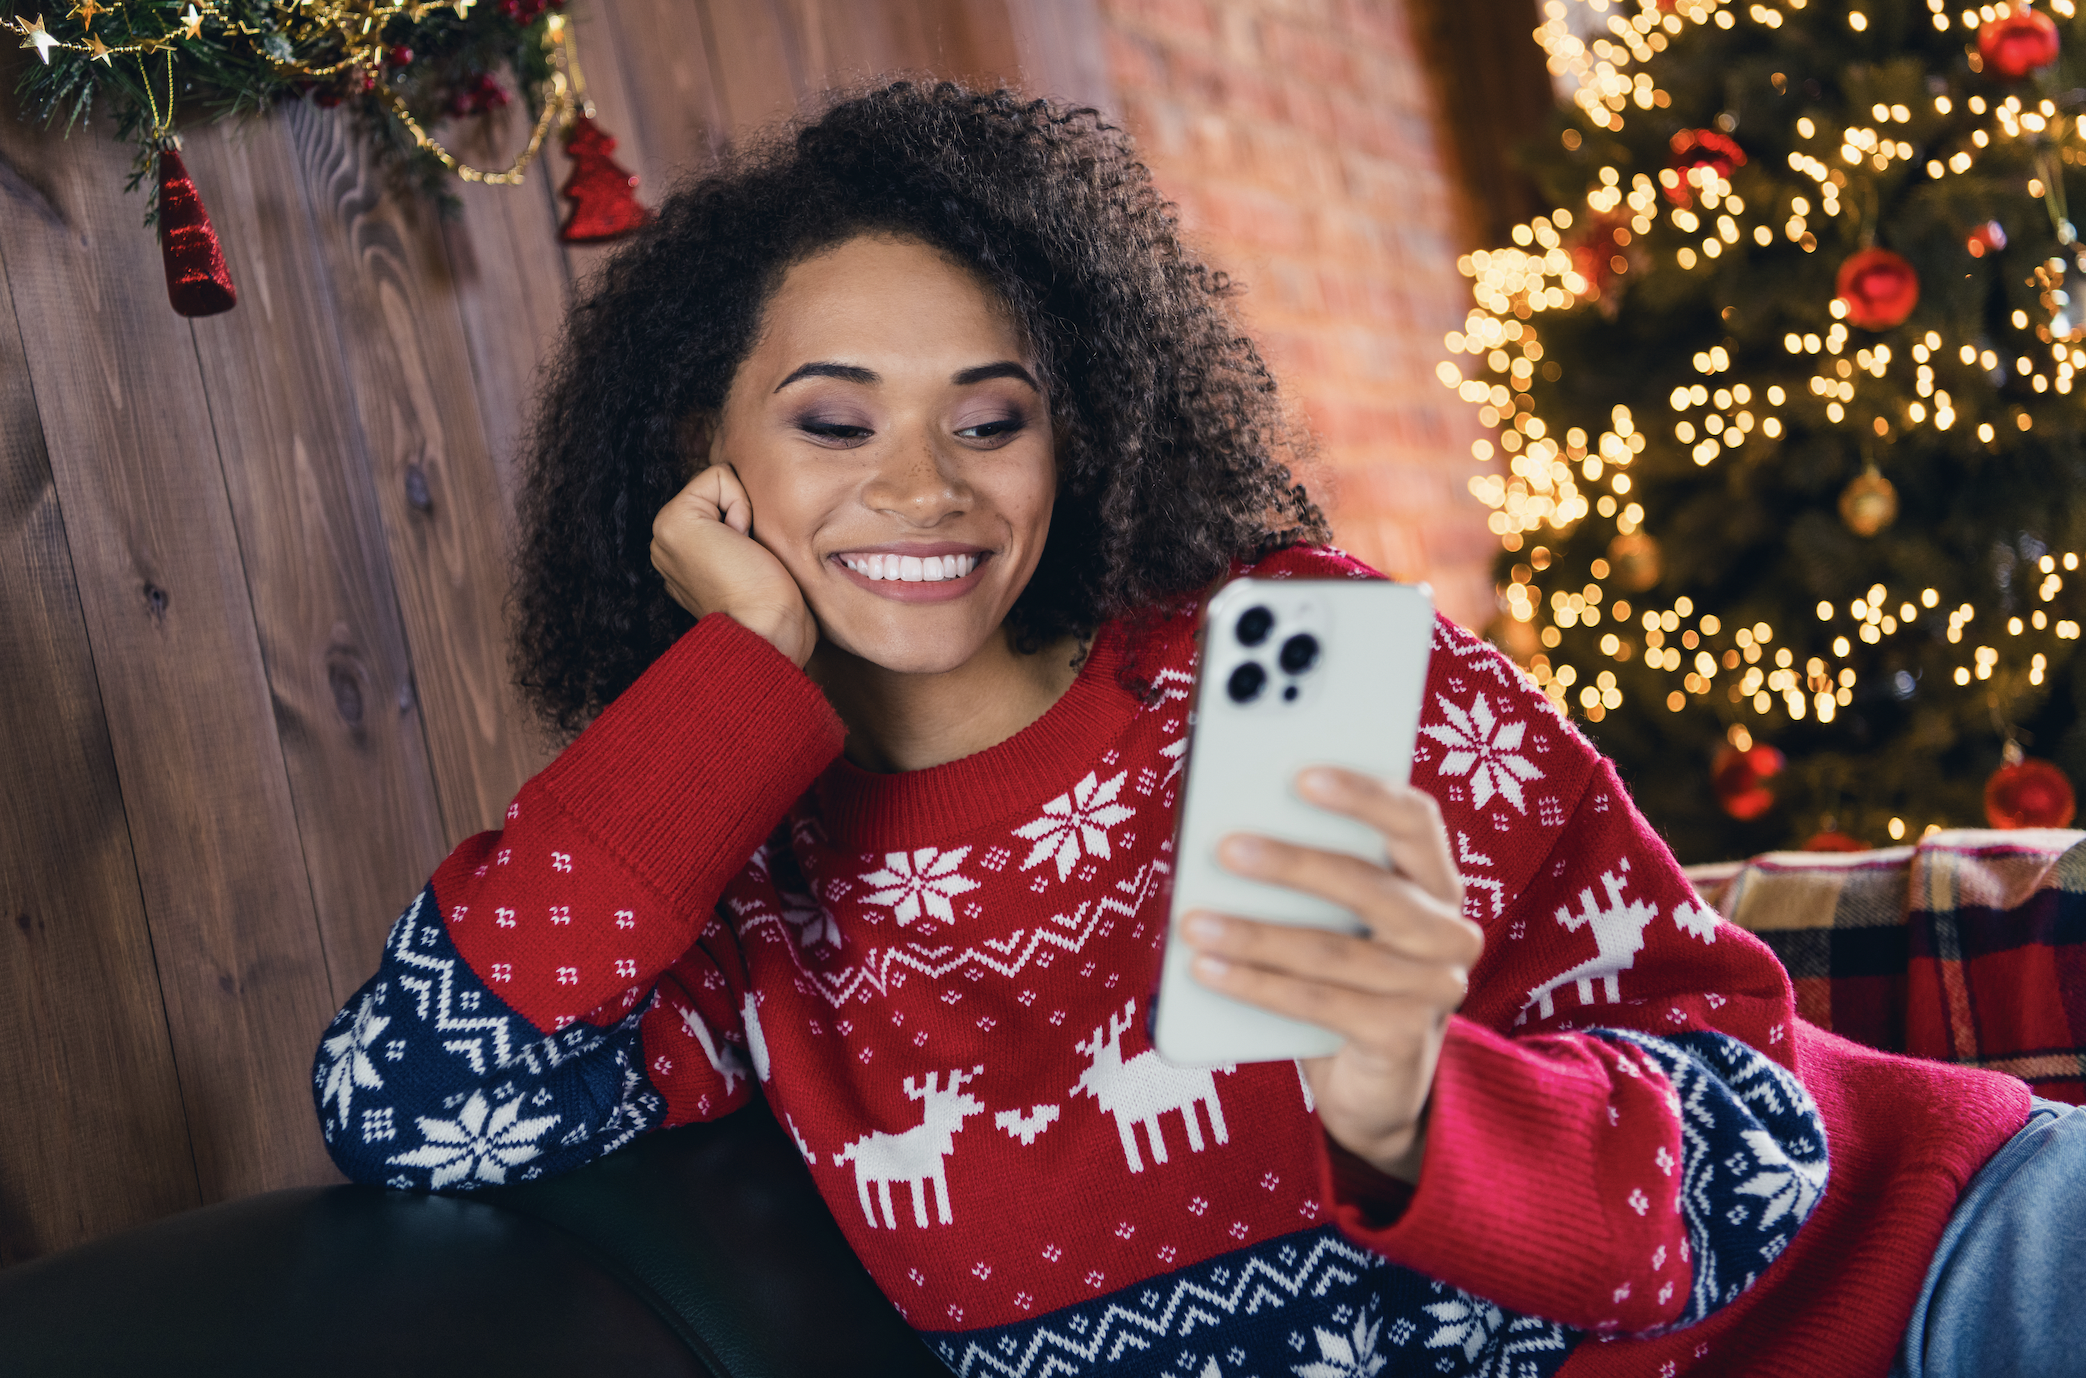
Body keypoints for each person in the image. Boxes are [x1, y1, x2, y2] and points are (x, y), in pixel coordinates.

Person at [313, 83, 2064, 1378]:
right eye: (833, 423)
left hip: (1938, 1279)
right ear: (704, 448)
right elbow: (411, 1100)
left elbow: (1757, 1143)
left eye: (990, 421)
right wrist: (735, 670)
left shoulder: (1286, 663)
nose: (921, 483)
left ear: (1076, 437)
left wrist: (1411, 1115)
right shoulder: (747, 905)